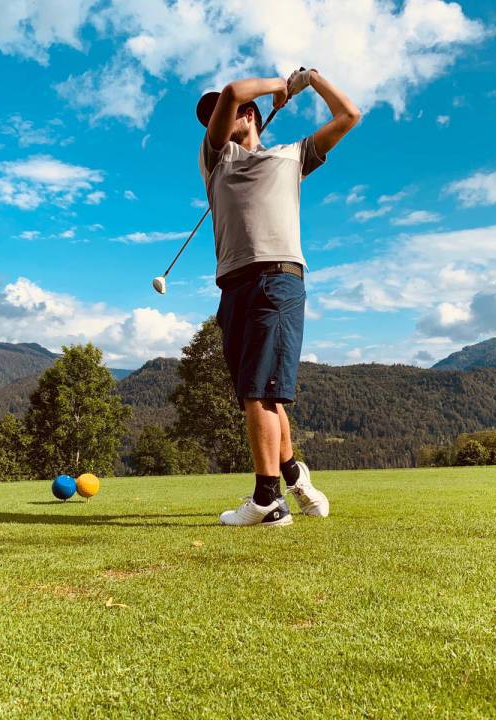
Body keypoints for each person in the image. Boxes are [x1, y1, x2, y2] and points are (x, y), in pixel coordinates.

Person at [196, 68, 361, 526]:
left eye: (222, 116)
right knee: (260, 392)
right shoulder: (215, 159)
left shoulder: (293, 156)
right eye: (210, 118)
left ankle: (268, 501)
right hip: (233, 286)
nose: (216, 121)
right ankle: (294, 473)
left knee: (259, 392)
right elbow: (231, 91)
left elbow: (349, 115)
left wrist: (312, 80)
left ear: (249, 116)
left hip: (280, 278)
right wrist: (280, 86)